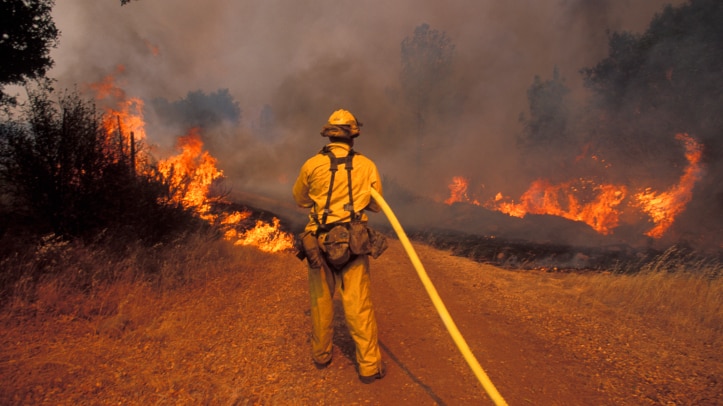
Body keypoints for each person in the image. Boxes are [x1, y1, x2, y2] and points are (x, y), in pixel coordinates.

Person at [292, 108, 386, 384]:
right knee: (359, 306)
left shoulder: (311, 165)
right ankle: (369, 367)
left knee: (321, 303)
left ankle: (321, 355)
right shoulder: (367, 166)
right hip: (354, 244)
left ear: (329, 134)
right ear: (353, 135)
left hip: (318, 244)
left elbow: (301, 199)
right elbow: (377, 205)